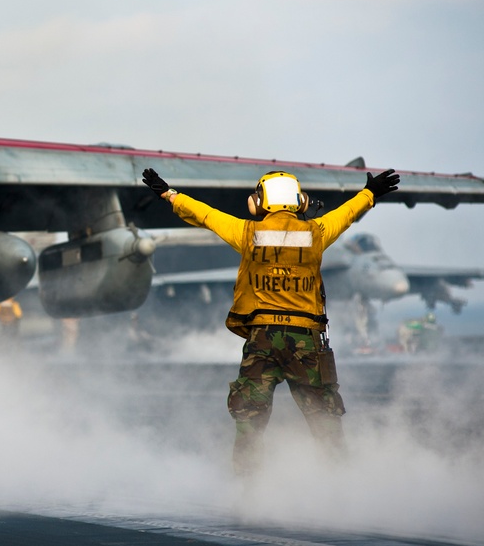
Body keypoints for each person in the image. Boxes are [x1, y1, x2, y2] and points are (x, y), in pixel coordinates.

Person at [141, 167, 399, 477]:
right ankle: (340, 486)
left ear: (259, 202)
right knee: (325, 416)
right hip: (306, 341)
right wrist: (370, 193)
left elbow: (205, 215)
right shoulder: (316, 233)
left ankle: (248, 492)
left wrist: (170, 195)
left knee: (249, 418)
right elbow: (346, 214)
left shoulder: (248, 233)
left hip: (262, 340)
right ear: (300, 203)